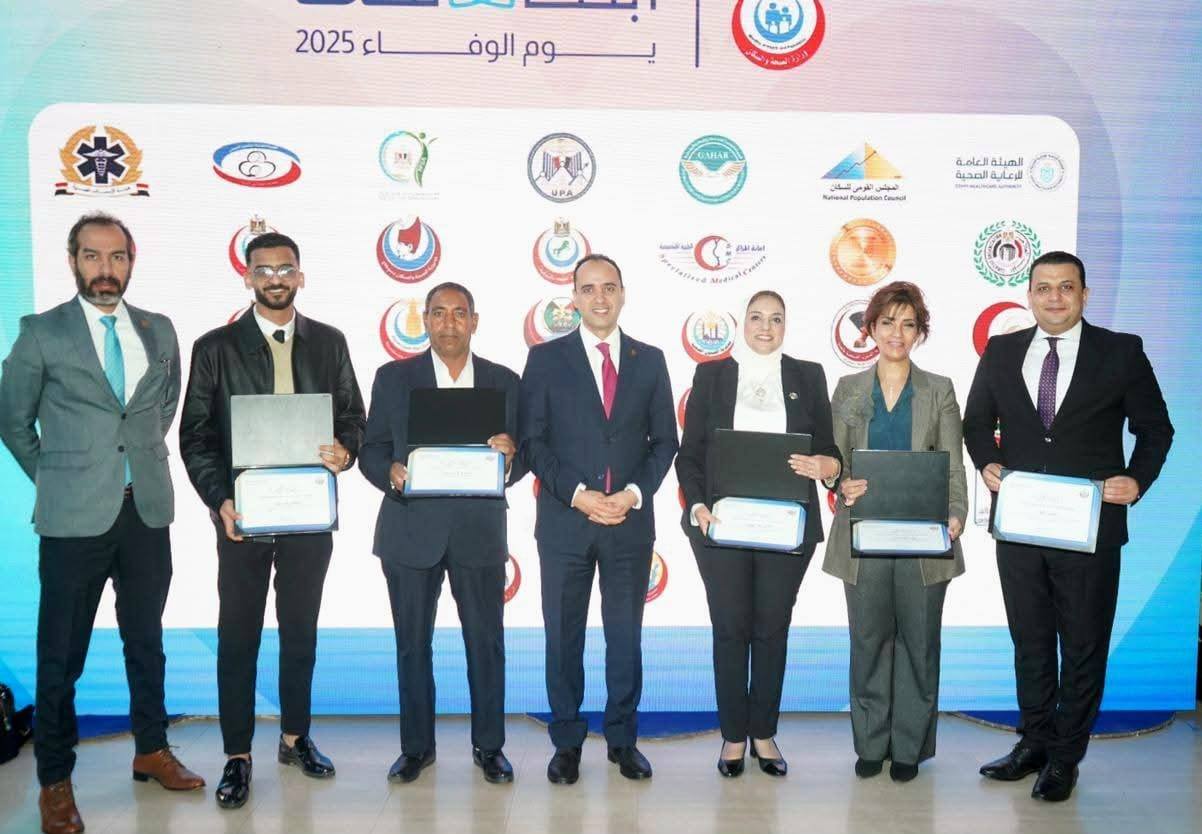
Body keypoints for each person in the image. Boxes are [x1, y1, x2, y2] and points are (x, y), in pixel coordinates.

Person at [0, 212, 203, 834]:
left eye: (116, 257)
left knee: (146, 641)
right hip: (73, 519)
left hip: (145, 511)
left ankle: (152, 749)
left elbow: (161, 408)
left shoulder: (158, 329)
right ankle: (55, 781)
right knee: (61, 655)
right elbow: (12, 420)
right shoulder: (41, 332)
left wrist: (131, 462)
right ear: (73, 262)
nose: (105, 269)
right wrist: (58, 476)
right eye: (92, 256)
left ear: (131, 260)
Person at [963, 251, 1173, 802]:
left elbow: (1156, 428)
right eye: (1044, 288)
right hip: (1020, 526)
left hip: (1090, 528)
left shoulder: (1121, 352)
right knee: (1030, 640)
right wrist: (987, 460)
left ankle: (1065, 757)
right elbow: (976, 421)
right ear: (1029, 295)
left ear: (1084, 294)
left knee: (1083, 644)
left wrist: (1136, 479)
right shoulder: (1002, 350)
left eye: (1066, 287)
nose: (1054, 297)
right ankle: (1033, 742)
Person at [178, 232, 366, 809]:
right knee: (238, 635)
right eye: (264, 270)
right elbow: (195, 436)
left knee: (300, 631)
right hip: (243, 514)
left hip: (310, 513)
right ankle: (237, 754)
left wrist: (346, 450)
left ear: (301, 277)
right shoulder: (215, 347)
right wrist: (220, 500)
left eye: (286, 269)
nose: (276, 279)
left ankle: (294, 737)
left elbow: (354, 417)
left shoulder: (329, 342)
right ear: (248, 278)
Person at [519, 254, 678, 784]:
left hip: (628, 525)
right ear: (574, 299)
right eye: (588, 289)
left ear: (623, 293)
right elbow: (532, 442)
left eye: (609, 287)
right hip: (566, 524)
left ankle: (623, 740)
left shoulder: (650, 360)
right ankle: (566, 742)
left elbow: (665, 441)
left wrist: (632, 494)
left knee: (624, 638)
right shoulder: (545, 359)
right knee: (563, 638)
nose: (600, 298)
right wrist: (577, 495)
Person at [359, 282, 525, 785]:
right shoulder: (393, 378)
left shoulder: (504, 381)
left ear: (474, 321)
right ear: (425, 321)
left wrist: (510, 458)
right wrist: (390, 471)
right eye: (438, 313)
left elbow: (526, 453)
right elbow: (371, 449)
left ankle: (490, 747)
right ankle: (416, 749)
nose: (448, 322)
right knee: (412, 645)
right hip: (411, 530)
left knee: (486, 644)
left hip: (479, 531)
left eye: (459, 313)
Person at [675, 290, 840, 778]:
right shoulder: (712, 376)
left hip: (786, 528)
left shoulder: (808, 376)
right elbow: (690, 454)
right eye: (756, 317)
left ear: (786, 325)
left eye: (775, 319)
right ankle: (733, 735)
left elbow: (830, 450)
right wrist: (698, 505)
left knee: (771, 629)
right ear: (741, 323)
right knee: (730, 629)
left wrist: (827, 466)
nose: (765, 327)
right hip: (721, 525)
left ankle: (764, 733)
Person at [822, 281, 968, 783]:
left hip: (925, 538)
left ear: (920, 331)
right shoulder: (848, 388)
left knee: (918, 644)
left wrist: (956, 513)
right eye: (887, 322)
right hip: (863, 535)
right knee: (868, 641)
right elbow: (834, 461)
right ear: (870, 329)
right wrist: (839, 482)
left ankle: (908, 747)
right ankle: (870, 742)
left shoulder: (939, 389)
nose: (897, 333)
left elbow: (952, 464)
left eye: (908, 324)